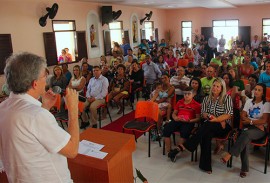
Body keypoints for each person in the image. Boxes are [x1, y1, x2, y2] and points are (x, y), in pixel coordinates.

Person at [0, 52, 79, 182]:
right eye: (45, 76)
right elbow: (72, 150)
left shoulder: (3, 108)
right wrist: (73, 110)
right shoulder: (37, 116)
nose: (47, 79)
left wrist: (45, 107)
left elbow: (30, 135)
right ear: (35, 83)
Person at [169, 78, 233, 174]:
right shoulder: (207, 98)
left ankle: (187, 145)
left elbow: (228, 114)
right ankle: (205, 166)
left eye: (217, 86)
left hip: (223, 126)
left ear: (222, 88)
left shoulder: (226, 98)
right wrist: (213, 118)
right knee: (206, 134)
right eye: (214, 85)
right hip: (210, 124)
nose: (215, 88)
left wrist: (217, 119)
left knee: (207, 126)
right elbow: (203, 113)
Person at [221, 83, 270, 178]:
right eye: (255, 89)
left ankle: (230, 154)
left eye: (259, 90)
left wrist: (250, 121)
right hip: (250, 127)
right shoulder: (249, 102)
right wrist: (254, 122)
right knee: (245, 139)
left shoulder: (266, 104)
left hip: (259, 131)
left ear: (263, 93)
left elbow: (264, 120)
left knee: (245, 134)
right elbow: (242, 116)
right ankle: (244, 169)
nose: (256, 91)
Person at [164, 87, 201, 157]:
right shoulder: (179, 102)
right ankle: (169, 151)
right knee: (166, 129)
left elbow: (198, 118)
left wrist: (190, 120)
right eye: (185, 94)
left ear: (193, 95)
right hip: (178, 120)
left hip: (188, 122)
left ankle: (176, 152)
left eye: (189, 94)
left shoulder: (196, 105)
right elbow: (174, 113)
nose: (186, 95)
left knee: (184, 132)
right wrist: (175, 118)